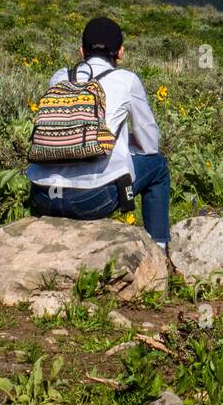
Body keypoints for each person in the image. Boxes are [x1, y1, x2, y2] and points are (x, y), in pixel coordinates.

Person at [27, 16, 170, 249]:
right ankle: (159, 249)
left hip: (44, 196)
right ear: (120, 52)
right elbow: (150, 145)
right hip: (90, 200)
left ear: (81, 50)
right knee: (158, 166)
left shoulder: (59, 77)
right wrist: (123, 140)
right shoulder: (126, 80)